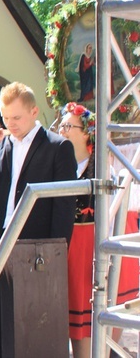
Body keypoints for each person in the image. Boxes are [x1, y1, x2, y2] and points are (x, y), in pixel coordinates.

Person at [0, 81, 77, 358]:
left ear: (34, 112)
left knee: (33, 319)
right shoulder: (3, 144)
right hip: (0, 241)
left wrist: (55, 251)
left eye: (17, 117)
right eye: (6, 118)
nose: (11, 124)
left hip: (37, 247)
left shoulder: (58, 148)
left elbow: (64, 205)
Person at [58, 102, 139, 358]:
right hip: (73, 258)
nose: (61, 130)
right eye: (61, 124)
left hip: (102, 257)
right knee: (78, 332)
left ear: (86, 133)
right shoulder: (59, 164)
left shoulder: (108, 164)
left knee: (103, 340)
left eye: (68, 125)